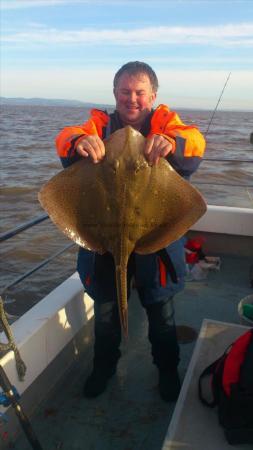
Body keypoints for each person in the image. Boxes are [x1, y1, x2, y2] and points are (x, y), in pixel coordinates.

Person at [55, 61, 206, 402]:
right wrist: (80, 141)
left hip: (156, 243)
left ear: (152, 96)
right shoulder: (98, 125)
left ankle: (167, 372)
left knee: (161, 314)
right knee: (106, 315)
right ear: (115, 94)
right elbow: (64, 138)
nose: (132, 99)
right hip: (103, 242)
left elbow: (195, 142)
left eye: (140, 92)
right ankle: (104, 368)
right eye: (125, 92)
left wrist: (170, 144)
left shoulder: (167, 124)